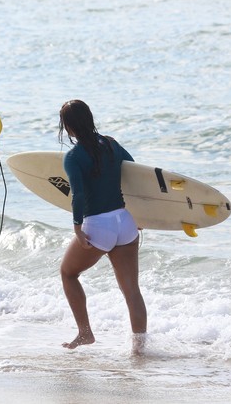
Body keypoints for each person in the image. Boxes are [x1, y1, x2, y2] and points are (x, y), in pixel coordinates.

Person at [58, 99, 147, 353]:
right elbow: (136, 173)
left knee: (68, 273)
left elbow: (78, 195)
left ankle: (85, 333)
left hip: (98, 225)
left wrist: (77, 227)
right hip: (125, 222)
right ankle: (139, 349)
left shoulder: (73, 157)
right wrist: (141, 216)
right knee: (131, 291)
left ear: (69, 127)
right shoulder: (112, 144)